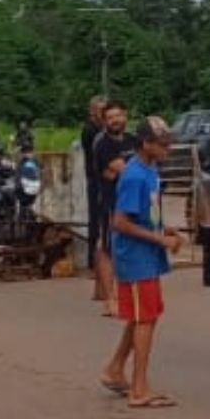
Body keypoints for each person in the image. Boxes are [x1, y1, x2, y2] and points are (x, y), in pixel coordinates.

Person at [100, 117, 182, 408]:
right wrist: (159, 240)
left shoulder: (150, 170)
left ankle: (116, 368)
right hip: (135, 257)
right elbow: (120, 222)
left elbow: (147, 212)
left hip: (146, 254)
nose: (167, 149)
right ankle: (139, 387)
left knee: (143, 316)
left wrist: (164, 231)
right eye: (162, 144)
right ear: (146, 144)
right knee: (144, 319)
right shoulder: (134, 175)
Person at [91, 101, 138, 311]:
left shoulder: (133, 140)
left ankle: (128, 294)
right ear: (104, 121)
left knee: (132, 248)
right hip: (112, 202)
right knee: (108, 248)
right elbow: (127, 170)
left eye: (118, 115)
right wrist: (129, 168)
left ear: (125, 116)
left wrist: (127, 169)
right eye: (110, 117)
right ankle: (110, 299)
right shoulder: (102, 143)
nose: (115, 120)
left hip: (134, 203)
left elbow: (148, 163)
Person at [80, 96, 108, 298]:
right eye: (100, 110)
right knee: (95, 222)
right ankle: (93, 264)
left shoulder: (106, 130)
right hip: (95, 178)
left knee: (106, 221)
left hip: (106, 180)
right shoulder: (90, 130)